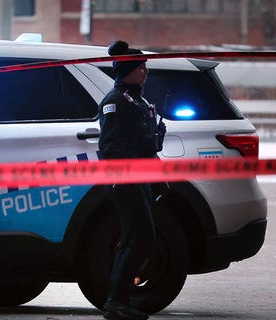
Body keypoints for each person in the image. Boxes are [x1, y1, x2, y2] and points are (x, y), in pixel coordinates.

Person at [98, 40, 166, 320]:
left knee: (137, 239)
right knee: (139, 238)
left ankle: (121, 299)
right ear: (128, 70)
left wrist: (157, 138)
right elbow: (111, 146)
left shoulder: (140, 101)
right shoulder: (115, 102)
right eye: (141, 67)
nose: (145, 72)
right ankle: (115, 300)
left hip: (143, 179)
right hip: (126, 181)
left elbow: (146, 144)